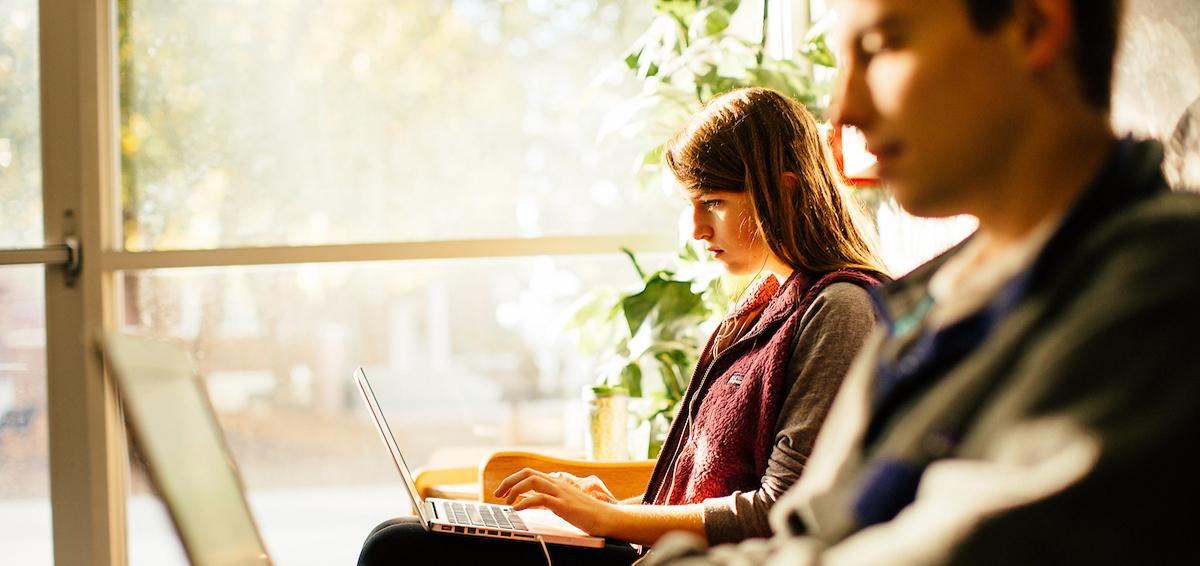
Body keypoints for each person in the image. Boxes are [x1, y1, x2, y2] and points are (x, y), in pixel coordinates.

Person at [643, 0, 1200, 565]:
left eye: (881, 47)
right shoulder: (926, 304)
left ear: (1029, 29)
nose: (845, 109)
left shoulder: (1164, 282)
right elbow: (806, 533)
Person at [357, 87, 890, 565]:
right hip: (658, 552)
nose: (697, 228)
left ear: (786, 191)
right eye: (691, 204)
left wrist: (611, 521)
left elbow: (783, 507)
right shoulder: (764, 302)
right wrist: (612, 508)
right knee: (397, 533)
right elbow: (702, 496)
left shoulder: (839, 310)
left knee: (397, 551)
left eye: (715, 203)